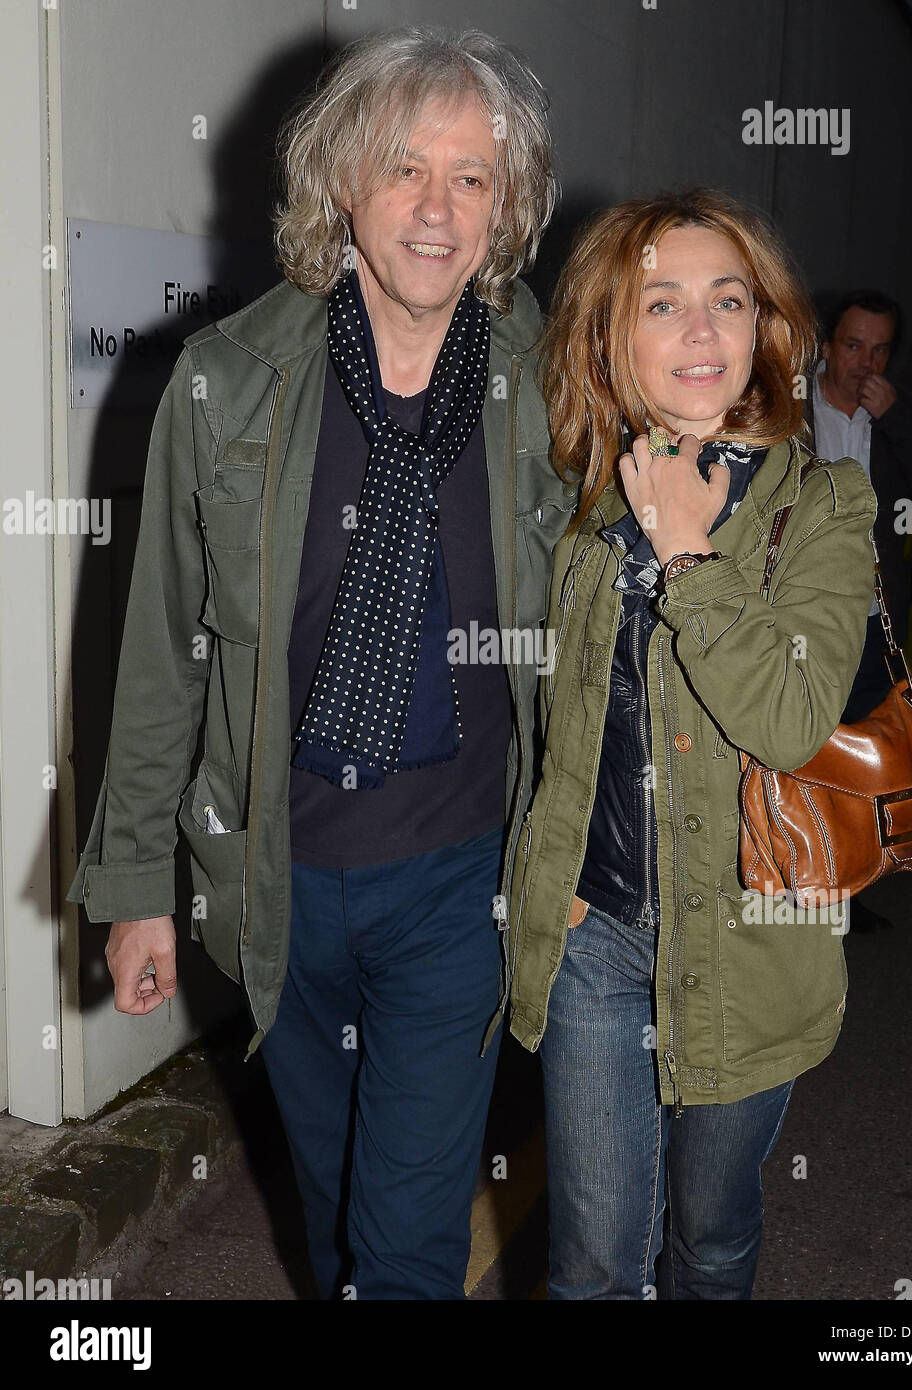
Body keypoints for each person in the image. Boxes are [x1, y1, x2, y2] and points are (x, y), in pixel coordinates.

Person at [66, 27, 573, 1300]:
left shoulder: (551, 383)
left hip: (459, 882)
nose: (437, 208)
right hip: (278, 879)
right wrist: (137, 885)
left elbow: (597, 638)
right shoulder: (224, 382)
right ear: (341, 180)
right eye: (407, 167)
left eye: (472, 177)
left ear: (507, 205)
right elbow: (160, 658)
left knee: (404, 1246)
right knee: (340, 1208)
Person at [507, 188, 877, 1300]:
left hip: (751, 941)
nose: (702, 331)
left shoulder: (824, 505)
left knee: (709, 1245)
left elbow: (787, 716)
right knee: (590, 1263)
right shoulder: (572, 498)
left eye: (728, 299)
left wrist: (683, 543)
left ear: (765, 326)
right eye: (661, 303)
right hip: (595, 942)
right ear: (612, 336)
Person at [805, 292, 912, 724]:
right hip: (801, 616)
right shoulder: (793, 408)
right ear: (827, 347)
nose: (866, 364)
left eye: (880, 350)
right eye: (853, 346)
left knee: (867, 757)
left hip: (876, 624)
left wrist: (897, 421)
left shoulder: (899, 411)